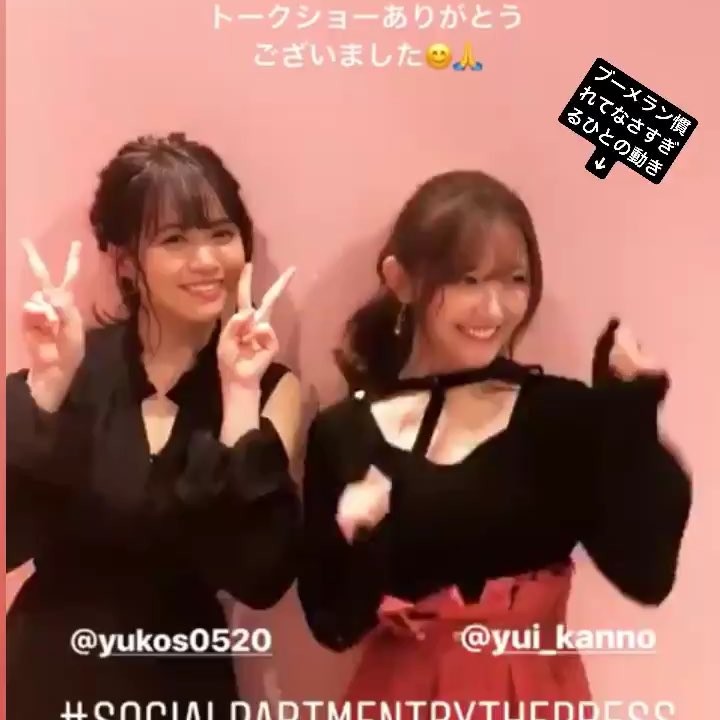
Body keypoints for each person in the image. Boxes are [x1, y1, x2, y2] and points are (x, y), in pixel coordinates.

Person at [297, 170, 692, 718]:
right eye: (468, 280)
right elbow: (333, 625)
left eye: (514, 280)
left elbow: (646, 573)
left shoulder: (559, 414)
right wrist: (360, 537)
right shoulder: (344, 433)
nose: (495, 308)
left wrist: (632, 408)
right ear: (401, 280)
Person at [6, 133, 302, 719]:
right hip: (53, 676)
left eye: (221, 234)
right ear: (124, 261)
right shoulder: (70, 366)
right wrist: (46, 388)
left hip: (182, 682)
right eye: (174, 240)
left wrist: (240, 395)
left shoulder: (267, 386)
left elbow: (260, 578)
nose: (206, 261)